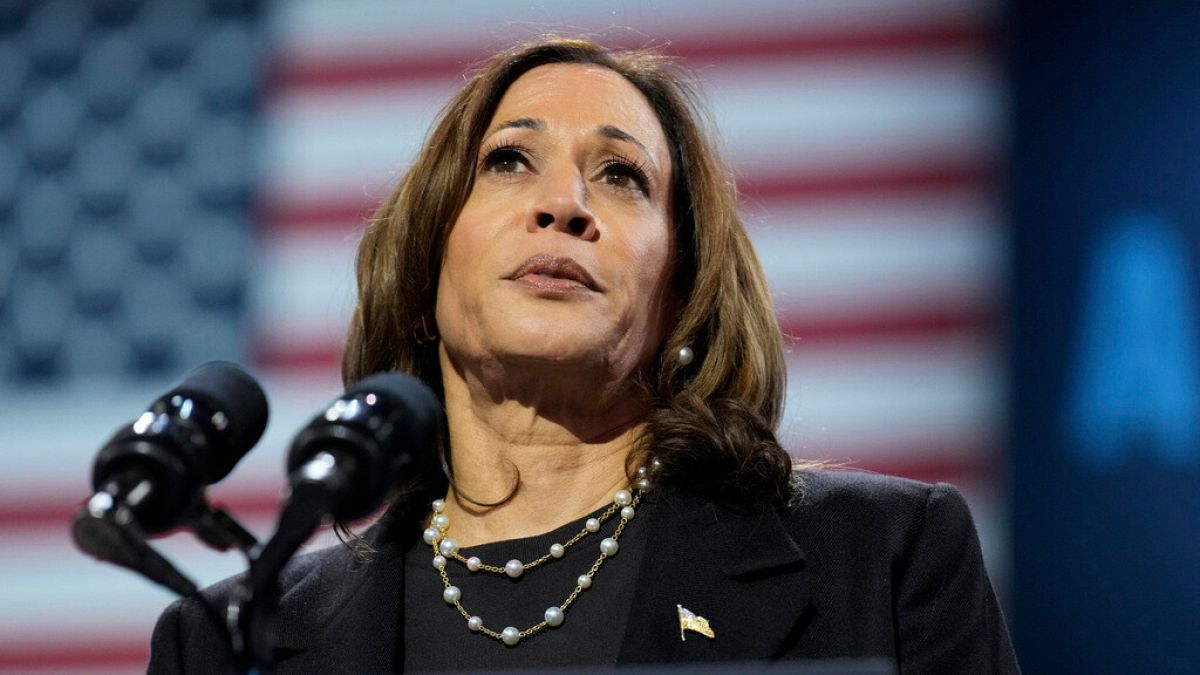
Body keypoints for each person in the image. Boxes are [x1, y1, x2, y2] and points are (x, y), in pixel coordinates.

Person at [149, 37, 1020, 673]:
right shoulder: (227, 644)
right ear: (424, 271)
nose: (563, 203)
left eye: (622, 175)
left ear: (682, 294)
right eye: (509, 160)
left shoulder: (881, 559)